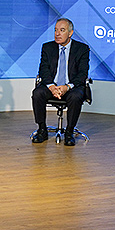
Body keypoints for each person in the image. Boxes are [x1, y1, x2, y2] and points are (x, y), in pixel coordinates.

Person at [31, 18, 90, 146]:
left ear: (70, 33)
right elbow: (43, 70)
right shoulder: (47, 47)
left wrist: (67, 87)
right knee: (37, 93)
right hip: (51, 86)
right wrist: (52, 87)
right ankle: (42, 130)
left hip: (71, 87)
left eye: (62, 30)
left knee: (76, 96)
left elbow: (82, 74)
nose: (57, 34)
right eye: (55, 30)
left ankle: (69, 132)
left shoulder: (82, 49)